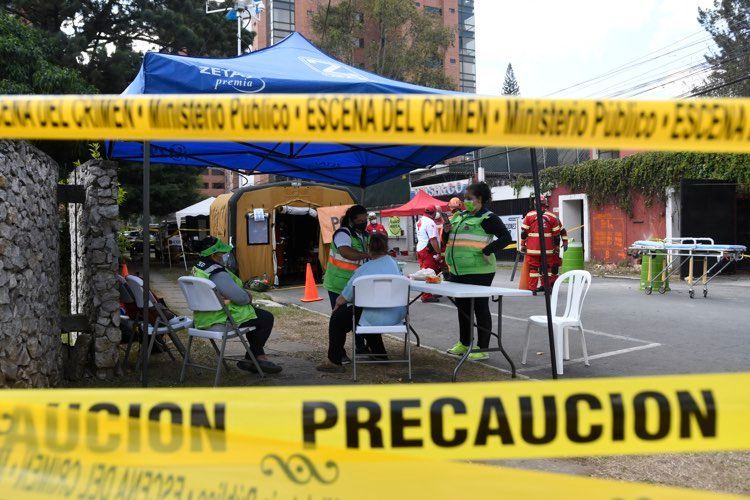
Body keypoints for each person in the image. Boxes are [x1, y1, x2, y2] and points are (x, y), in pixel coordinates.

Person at [192, 236, 282, 374]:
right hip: (220, 319)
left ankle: (256, 357)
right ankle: (253, 357)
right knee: (265, 318)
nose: (224, 256)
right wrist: (247, 296)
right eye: (222, 253)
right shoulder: (216, 273)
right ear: (214, 255)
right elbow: (241, 299)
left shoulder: (200, 266)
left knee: (256, 317)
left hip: (203, 318)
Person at [316, 234, 404, 372]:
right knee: (365, 312)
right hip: (396, 315)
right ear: (386, 247)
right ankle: (379, 354)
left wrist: (337, 306)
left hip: (372, 316)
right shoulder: (394, 264)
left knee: (339, 319)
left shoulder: (363, 270)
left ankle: (334, 361)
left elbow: (344, 297)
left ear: (368, 249)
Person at [444, 182, 512, 361]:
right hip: (458, 270)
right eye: (464, 198)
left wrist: (487, 250)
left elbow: (506, 238)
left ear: (480, 199)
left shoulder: (488, 218)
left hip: (480, 270)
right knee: (463, 308)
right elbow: (448, 240)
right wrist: (446, 231)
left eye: (469, 198)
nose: (465, 201)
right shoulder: (460, 216)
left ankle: (483, 348)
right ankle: (464, 343)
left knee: (480, 308)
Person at [323, 204, 370, 353]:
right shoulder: (343, 233)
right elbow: (346, 252)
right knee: (339, 320)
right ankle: (339, 353)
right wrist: (368, 255)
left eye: (365, 220)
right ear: (351, 220)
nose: (363, 223)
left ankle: (360, 347)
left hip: (357, 284)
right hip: (338, 284)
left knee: (359, 317)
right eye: (360, 221)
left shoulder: (364, 235)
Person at [520, 195, 562, 292]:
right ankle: (547, 288)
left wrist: (523, 245)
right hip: (547, 249)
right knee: (547, 269)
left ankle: (532, 289)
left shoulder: (529, 215)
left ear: (535, 204)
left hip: (532, 249)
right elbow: (556, 235)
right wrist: (556, 247)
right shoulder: (552, 217)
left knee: (533, 269)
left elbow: (524, 233)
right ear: (546, 204)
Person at [416, 206, 443, 303]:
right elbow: (433, 239)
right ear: (434, 213)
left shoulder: (420, 220)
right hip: (427, 250)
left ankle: (429, 292)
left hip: (420, 248)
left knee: (425, 271)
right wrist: (438, 252)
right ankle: (426, 296)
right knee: (429, 272)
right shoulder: (430, 222)